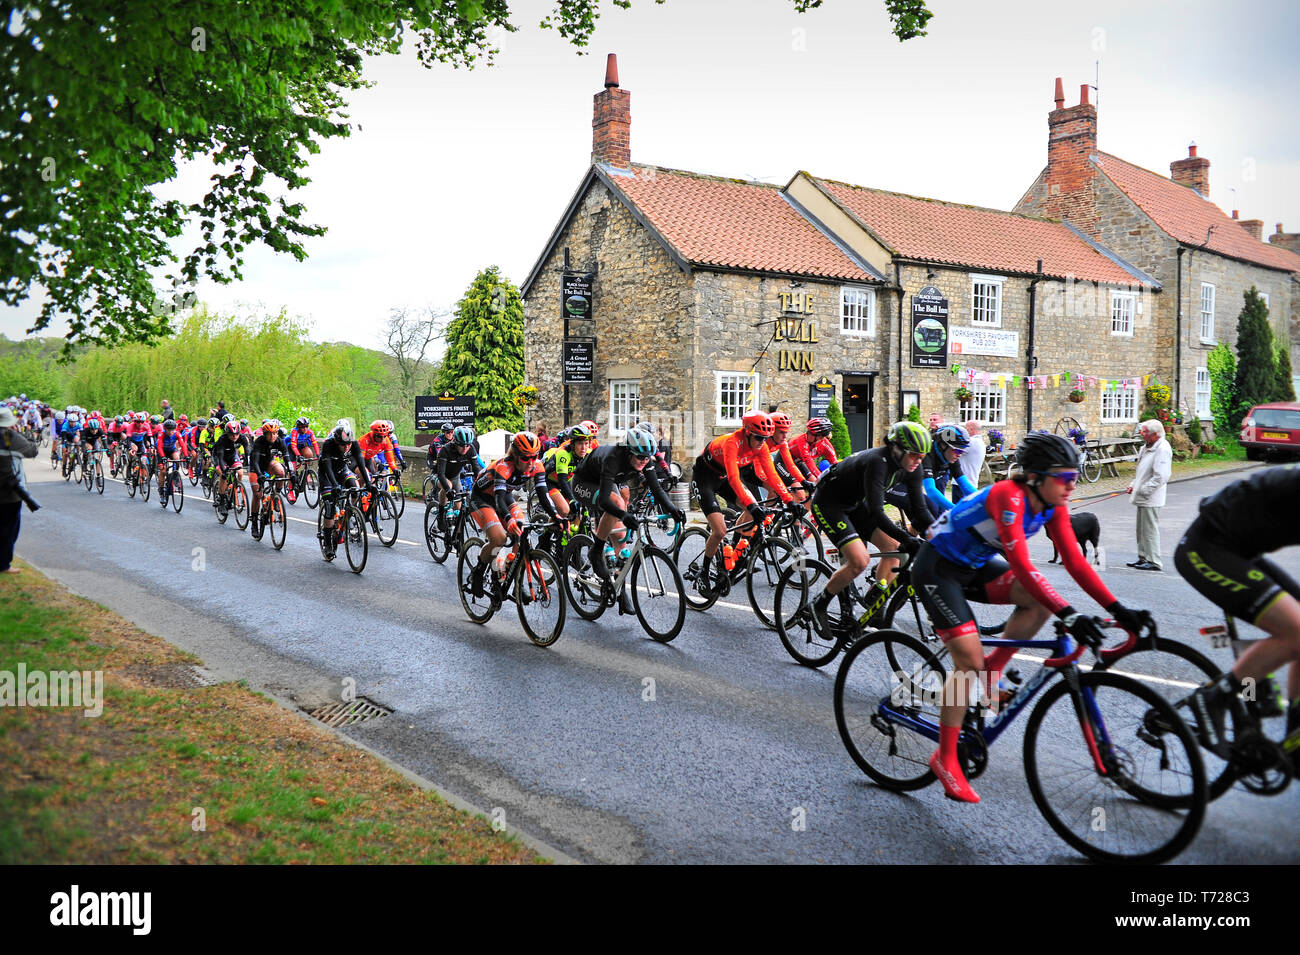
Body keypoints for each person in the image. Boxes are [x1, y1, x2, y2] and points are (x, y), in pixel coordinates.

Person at [915, 432, 1147, 803]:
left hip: (973, 565)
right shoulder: (1009, 495)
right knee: (967, 663)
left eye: (1077, 476)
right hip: (937, 568)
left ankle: (991, 675)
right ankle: (945, 758)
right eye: (1066, 478)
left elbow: (1074, 562)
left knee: (1036, 604)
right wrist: (1070, 615)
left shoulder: (1052, 506)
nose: (1072, 485)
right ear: (1037, 477)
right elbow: (1022, 565)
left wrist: (1117, 609)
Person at [1176, 466, 1300, 752]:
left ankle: (1293, 738)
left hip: (1240, 551)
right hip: (1206, 549)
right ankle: (1214, 698)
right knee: (1295, 632)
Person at [807, 421, 933, 633]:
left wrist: (946, 535)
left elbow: (921, 511)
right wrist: (908, 539)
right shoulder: (878, 461)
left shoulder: (912, 467)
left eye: (922, 456)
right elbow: (877, 511)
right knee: (859, 561)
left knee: (894, 550)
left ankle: (876, 605)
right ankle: (818, 604)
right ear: (897, 448)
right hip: (829, 502)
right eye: (914, 455)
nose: (918, 461)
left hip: (855, 503)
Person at [1127, 419, 1172, 571]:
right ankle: (1143, 557)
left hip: (1151, 497)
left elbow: (1161, 476)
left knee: (1150, 530)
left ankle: (1154, 561)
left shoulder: (1162, 449)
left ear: (1155, 435)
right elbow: (1142, 472)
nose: (1142, 434)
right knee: (1141, 530)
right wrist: (1134, 485)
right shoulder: (1145, 448)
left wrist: (1144, 490)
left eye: (1145, 432)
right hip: (1142, 495)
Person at [0, 406, 39, 574]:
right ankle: (3, 565)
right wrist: (21, 433)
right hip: (9, 492)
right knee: (9, 529)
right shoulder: (8, 437)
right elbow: (32, 450)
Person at [958, 419, 986, 494]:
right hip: (971, 481)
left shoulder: (972, 442)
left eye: (965, 428)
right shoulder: (980, 442)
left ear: (970, 429)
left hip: (963, 482)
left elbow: (954, 448)